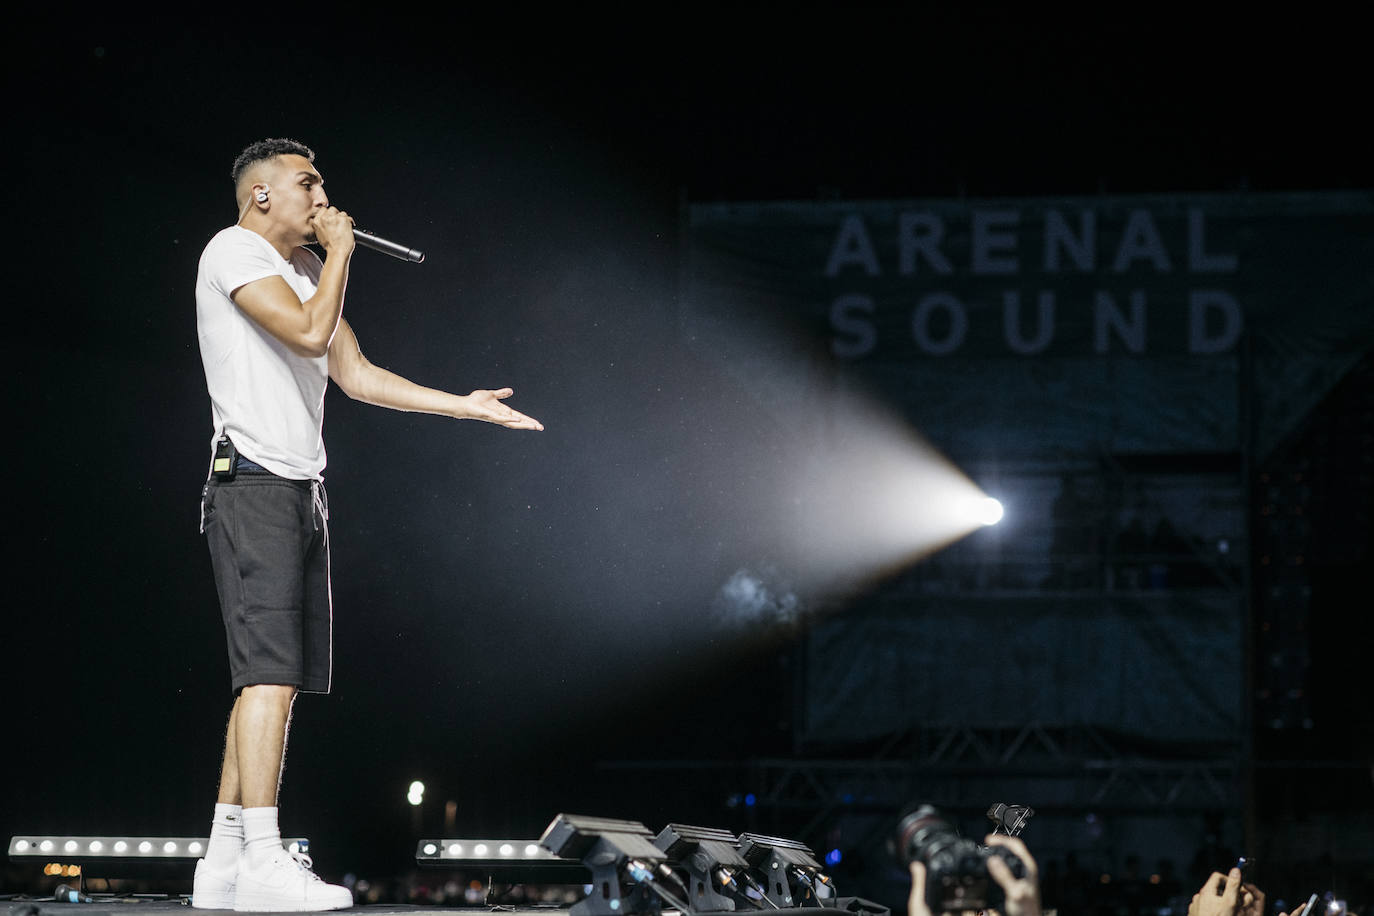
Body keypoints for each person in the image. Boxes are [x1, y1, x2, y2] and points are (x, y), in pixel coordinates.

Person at [190, 138, 542, 912]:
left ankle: (221, 861)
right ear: (261, 197)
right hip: (251, 483)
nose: (323, 198)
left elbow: (354, 373)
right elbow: (312, 336)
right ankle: (262, 858)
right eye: (308, 185)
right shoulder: (233, 251)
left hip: (297, 488)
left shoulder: (307, 271)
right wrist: (344, 250)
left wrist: (465, 405)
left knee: (269, 679)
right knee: (269, 678)